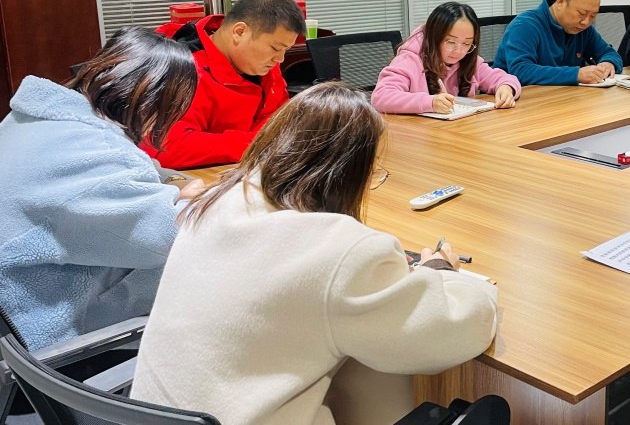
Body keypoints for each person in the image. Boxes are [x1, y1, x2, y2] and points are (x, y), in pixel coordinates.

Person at [131, 83, 499, 425]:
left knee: (361, 364)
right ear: (347, 175)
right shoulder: (338, 249)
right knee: (489, 409)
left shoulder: (217, 201)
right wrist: (441, 272)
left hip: (156, 414)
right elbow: (450, 334)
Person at [0, 28, 202, 351]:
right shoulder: (96, 153)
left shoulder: (45, 121)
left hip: (17, 310)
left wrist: (172, 183)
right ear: (153, 100)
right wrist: (202, 198)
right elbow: (171, 237)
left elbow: (132, 170)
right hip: (48, 335)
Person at [145, 0, 307, 169]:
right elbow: (165, 147)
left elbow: (279, 119)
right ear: (239, 32)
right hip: (197, 179)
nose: (280, 59)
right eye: (275, 48)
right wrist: (258, 143)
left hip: (247, 169)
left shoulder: (261, 64)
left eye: (285, 50)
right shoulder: (182, 70)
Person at [371, 1, 520, 115]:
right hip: (417, 137)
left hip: (458, 133)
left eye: (466, 43)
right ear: (435, 37)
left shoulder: (468, 60)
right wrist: (430, 102)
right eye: (451, 42)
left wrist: (506, 88)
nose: (458, 50)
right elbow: (381, 97)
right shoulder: (410, 60)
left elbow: (502, 78)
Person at [492, 0, 623, 85]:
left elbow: (609, 53)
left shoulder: (583, 29)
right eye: (582, 13)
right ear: (560, 2)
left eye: (593, 16)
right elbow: (521, 71)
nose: (586, 22)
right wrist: (576, 75)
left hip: (563, 98)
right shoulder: (525, 25)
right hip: (518, 101)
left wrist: (608, 63)